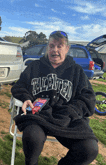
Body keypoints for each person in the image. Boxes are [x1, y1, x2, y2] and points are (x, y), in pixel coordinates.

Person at [11, 31, 98, 165]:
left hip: (67, 118)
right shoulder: (34, 66)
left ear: (67, 49)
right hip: (38, 115)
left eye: (59, 46)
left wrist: (72, 111)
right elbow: (19, 86)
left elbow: (89, 98)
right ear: (47, 48)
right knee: (32, 136)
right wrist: (26, 98)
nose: (55, 50)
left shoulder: (77, 71)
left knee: (89, 149)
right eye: (51, 46)